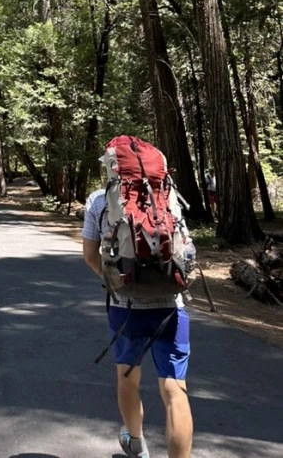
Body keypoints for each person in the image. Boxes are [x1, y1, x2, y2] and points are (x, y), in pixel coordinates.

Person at [82, 175, 193, 458]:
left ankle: (136, 443)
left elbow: (90, 255)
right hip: (171, 308)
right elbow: (186, 249)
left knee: (128, 378)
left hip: (125, 309)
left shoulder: (98, 200)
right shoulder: (169, 196)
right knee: (175, 390)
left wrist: (117, 283)